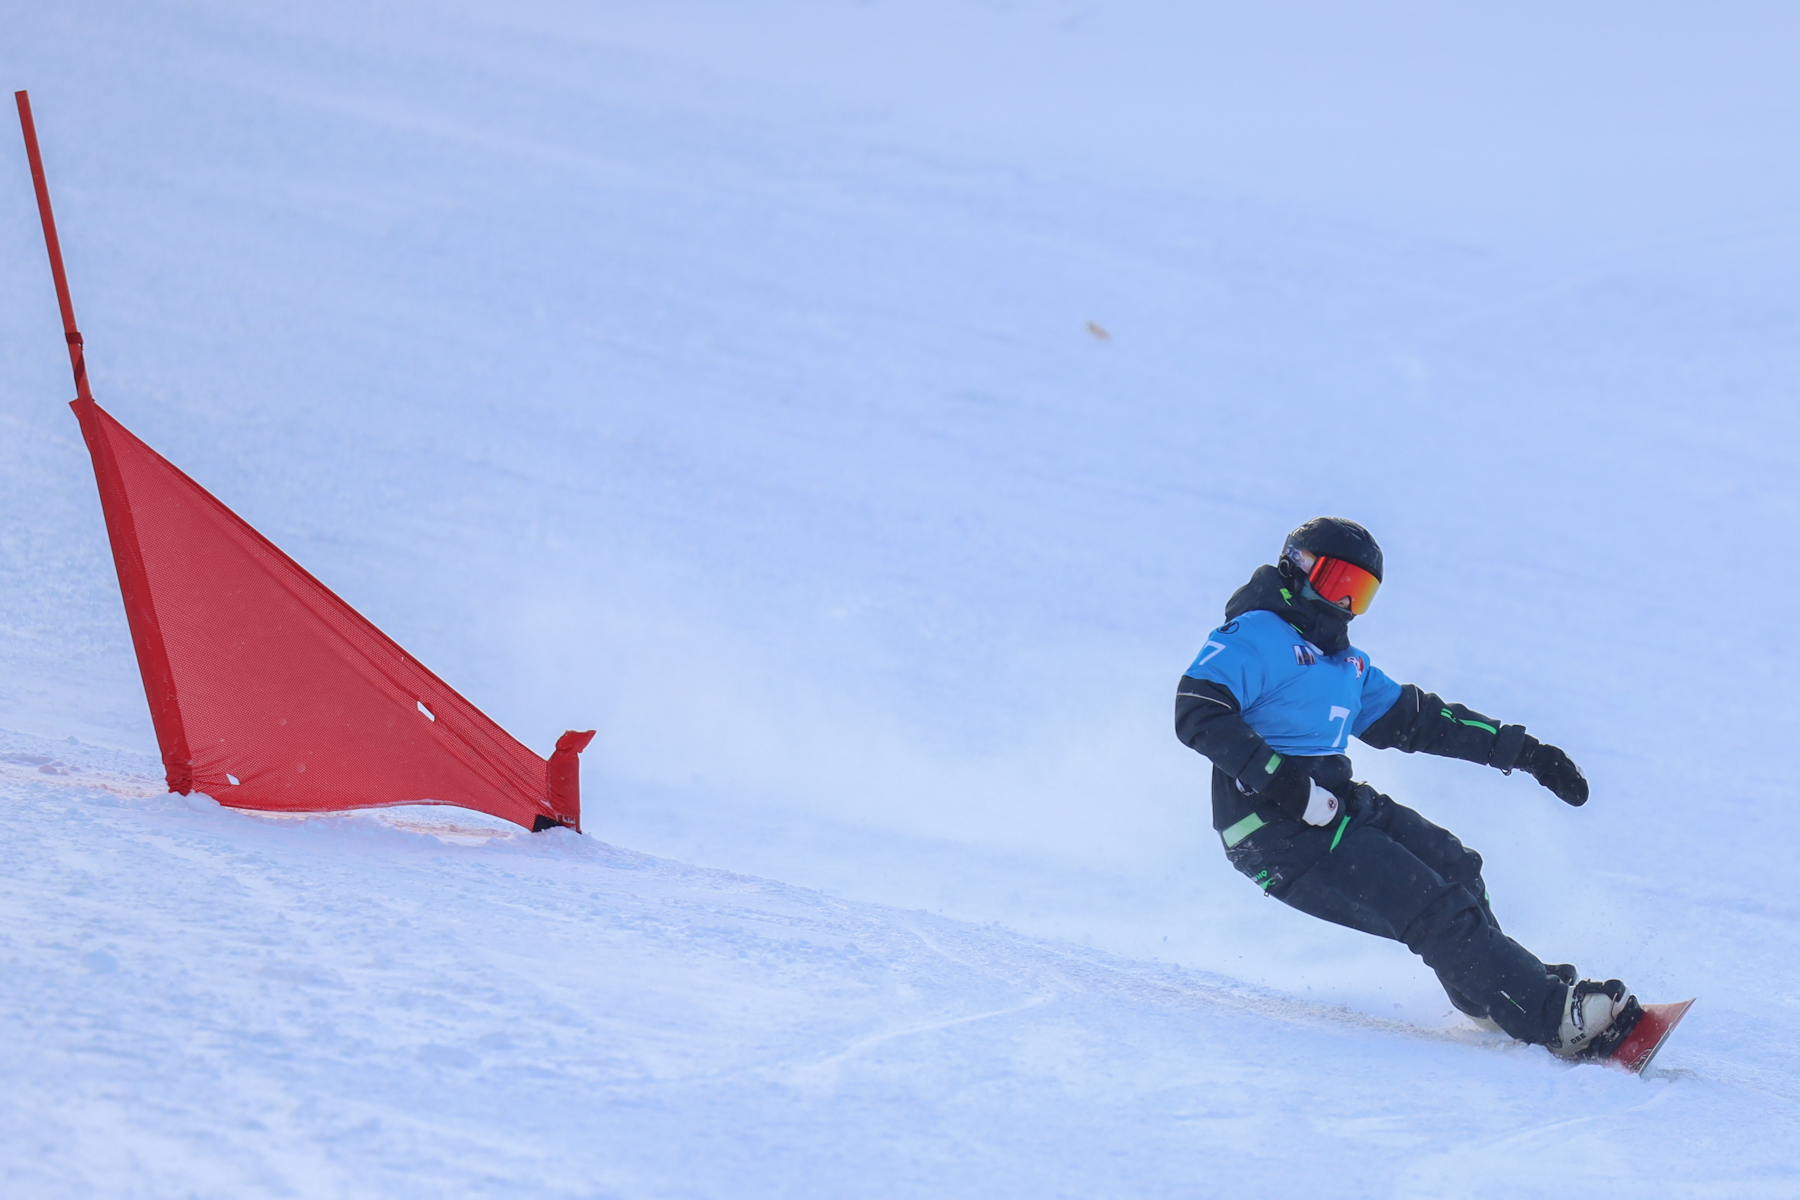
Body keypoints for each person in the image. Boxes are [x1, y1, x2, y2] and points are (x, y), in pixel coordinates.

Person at [1174, 517, 1635, 1058]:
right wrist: (1290, 789)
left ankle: (1489, 990)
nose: (1343, 603)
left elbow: (1421, 720)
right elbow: (1197, 713)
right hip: (1271, 828)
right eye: (1335, 582)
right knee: (1429, 904)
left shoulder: (1345, 664)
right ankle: (1552, 1017)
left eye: (1359, 593)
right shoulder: (1255, 635)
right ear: (1295, 568)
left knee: (1457, 867)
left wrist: (1527, 753)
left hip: (1333, 807)